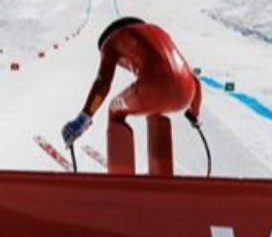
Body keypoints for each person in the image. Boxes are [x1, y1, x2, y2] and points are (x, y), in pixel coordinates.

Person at [61, 17, 201, 176]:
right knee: (156, 110)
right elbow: (195, 81)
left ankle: (120, 173)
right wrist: (194, 113)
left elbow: (103, 83)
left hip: (154, 86)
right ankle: (162, 173)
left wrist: (84, 118)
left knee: (115, 108)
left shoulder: (109, 43)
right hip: (188, 91)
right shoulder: (159, 31)